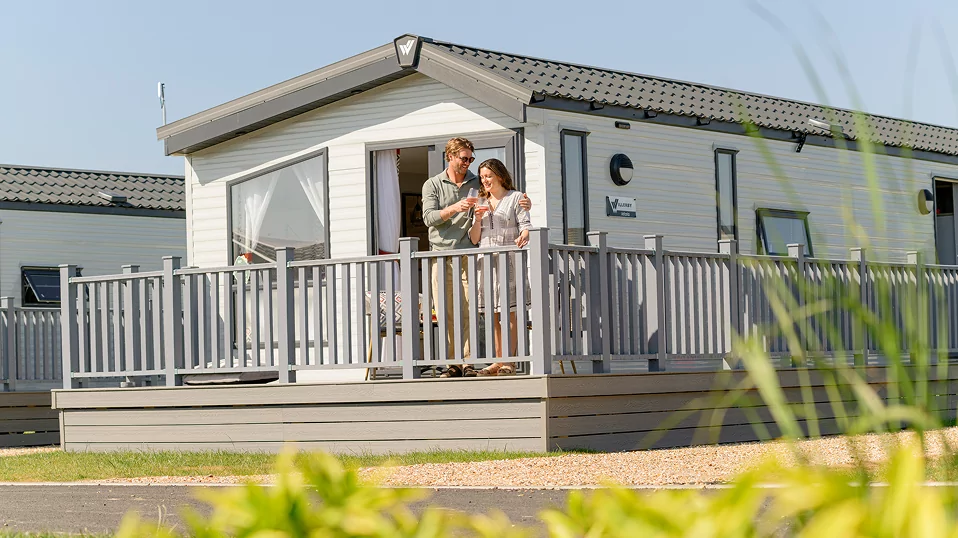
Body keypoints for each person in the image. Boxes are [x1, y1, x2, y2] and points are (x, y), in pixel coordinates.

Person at [421, 138, 531, 377]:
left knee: (473, 309)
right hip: (442, 254)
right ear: (449, 157)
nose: (468, 163)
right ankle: (454, 363)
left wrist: (526, 203)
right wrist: (455, 208)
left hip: (472, 254)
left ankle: (470, 362)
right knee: (446, 310)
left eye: (471, 158)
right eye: (464, 158)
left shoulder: (477, 182)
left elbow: (509, 200)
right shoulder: (433, 184)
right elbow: (429, 218)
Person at [469, 158, 531, 376]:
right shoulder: (479, 201)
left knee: (510, 312)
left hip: (509, 261)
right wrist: (476, 220)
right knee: (491, 314)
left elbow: (525, 226)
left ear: (500, 176)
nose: (485, 180)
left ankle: (509, 361)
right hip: (486, 262)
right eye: (483, 176)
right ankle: (497, 360)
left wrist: (524, 235)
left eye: (489, 176)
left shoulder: (516, 198)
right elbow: (475, 238)